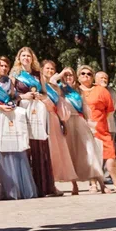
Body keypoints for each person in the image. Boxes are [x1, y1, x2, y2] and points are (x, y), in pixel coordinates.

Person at [0, 56, 36, 200]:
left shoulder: (8, 80)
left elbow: (13, 97)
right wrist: (0, 107)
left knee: (12, 149)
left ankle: (15, 188)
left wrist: (15, 101)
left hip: (8, 117)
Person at [11, 47, 57, 197]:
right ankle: (28, 188)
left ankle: (44, 186)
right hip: (23, 111)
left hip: (37, 111)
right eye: (23, 55)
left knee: (40, 147)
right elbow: (11, 95)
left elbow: (45, 93)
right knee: (26, 147)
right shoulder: (15, 74)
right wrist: (23, 96)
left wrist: (39, 95)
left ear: (32, 58)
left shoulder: (38, 75)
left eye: (28, 56)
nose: (26, 58)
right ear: (19, 58)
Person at [53, 67, 105, 193]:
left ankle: (99, 183)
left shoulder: (79, 90)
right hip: (67, 122)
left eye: (71, 75)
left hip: (80, 121)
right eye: (66, 75)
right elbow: (52, 81)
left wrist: (90, 124)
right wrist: (60, 75)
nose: (69, 77)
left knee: (89, 151)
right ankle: (74, 185)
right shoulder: (59, 89)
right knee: (72, 153)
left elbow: (85, 108)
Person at [80, 65, 116, 191]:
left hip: (101, 128)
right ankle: (93, 184)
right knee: (91, 155)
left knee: (110, 155)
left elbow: (110, 110)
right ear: (78, 77)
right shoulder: (77, 91)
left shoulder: (101, 90)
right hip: (84, 128)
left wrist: (100, 121)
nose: (86, 76)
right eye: (83, 74)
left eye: (89, 74)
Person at [39, 60, 80, 195]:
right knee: (48, 153)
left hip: (55, 120)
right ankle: (50, 184)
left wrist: (64, 122)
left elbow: (60, 105)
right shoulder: (39, 83)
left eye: (52, 69)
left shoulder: (55, 87)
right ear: (42, 69)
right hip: (42, 118)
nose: (50, 71)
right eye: (47, 68)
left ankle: (70, 183)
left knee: (60, 152)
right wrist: (60, 73)